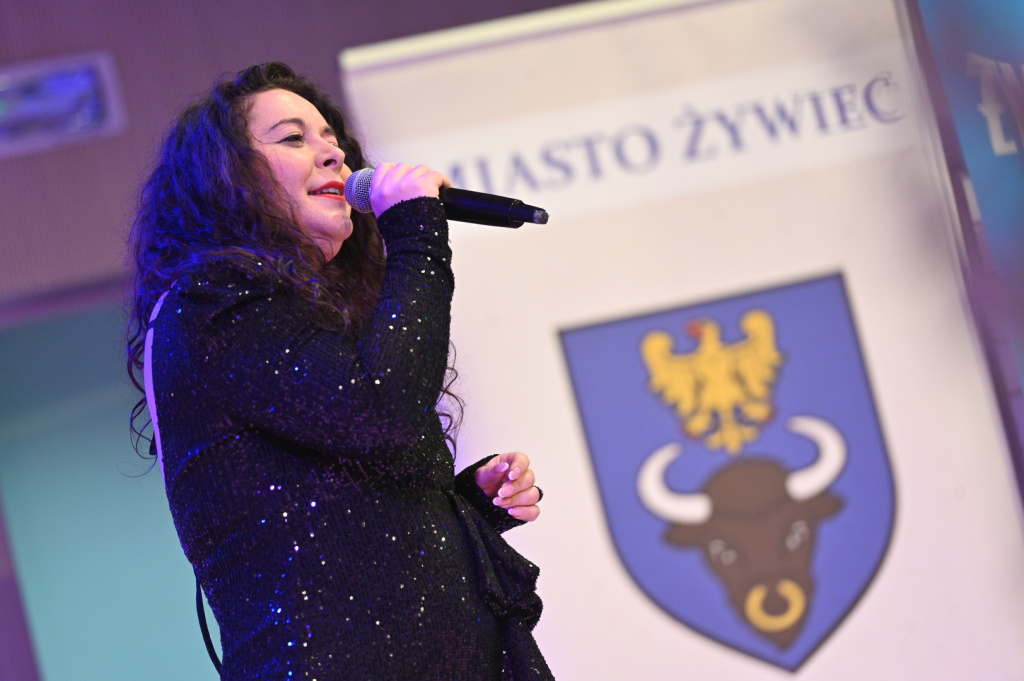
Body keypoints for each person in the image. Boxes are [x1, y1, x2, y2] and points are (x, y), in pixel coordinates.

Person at [126, 62, 552, 681]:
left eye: (333, 139)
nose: (333, 155)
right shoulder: (212, 303)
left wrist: (462, 512)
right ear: (227, 177)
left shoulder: (308, 318)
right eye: (293, 138)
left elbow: (343, 537)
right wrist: (416, 232)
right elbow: (381, 409)